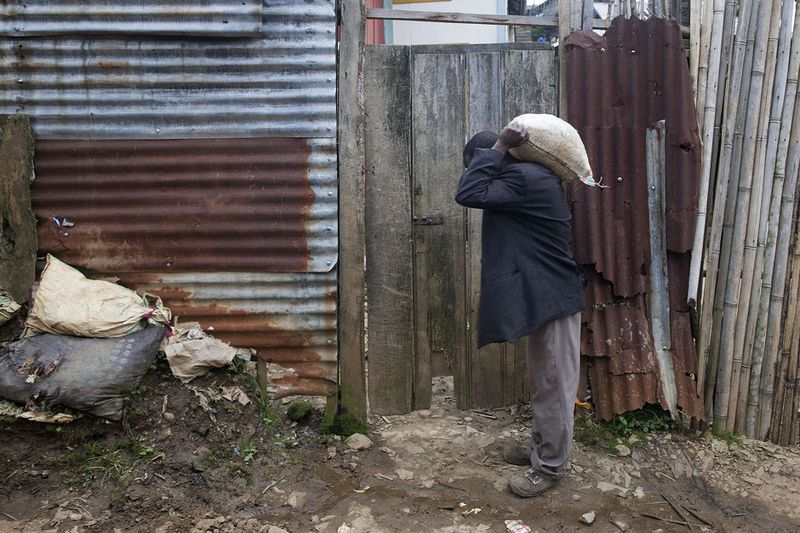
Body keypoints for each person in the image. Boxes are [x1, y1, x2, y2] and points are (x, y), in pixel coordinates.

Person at [455, 123, 586, 498]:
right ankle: (539, 451)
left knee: (555, 387)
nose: (473, 172)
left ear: (497, 161)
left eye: (476, 164)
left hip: (553, 299)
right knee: (546, 382)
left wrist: (496, 147)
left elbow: (468, 192)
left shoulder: (524, 180)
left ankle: (550, 467)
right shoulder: (524, 180)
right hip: (544, 297)